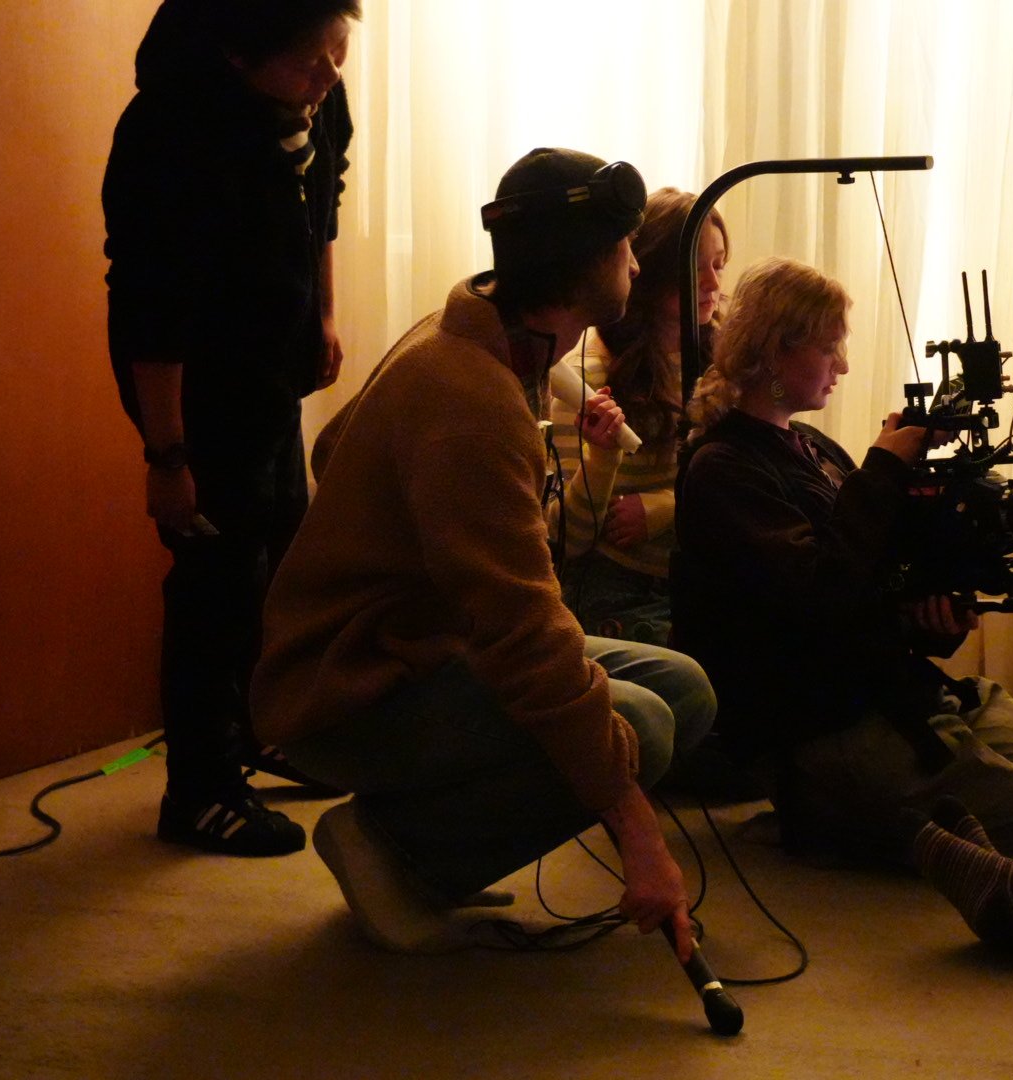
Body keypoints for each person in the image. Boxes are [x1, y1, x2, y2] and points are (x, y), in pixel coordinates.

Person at [250, 149, 717, 958]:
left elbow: (333, 449)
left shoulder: (482, 336)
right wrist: (639, 834)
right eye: (622, 247)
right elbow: (523, 636)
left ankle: (424, 834)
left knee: (685, 687)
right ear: (580, 267)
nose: (637, 264)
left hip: (419, 653)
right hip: (347, 695)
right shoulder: (469, 394)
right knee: (637, 722)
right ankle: (399, 853)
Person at [673, 257, 1013, 870]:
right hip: (817, 721)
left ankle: (915, 779)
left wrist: (926, 619)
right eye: (830, 347)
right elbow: (818, 595)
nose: (843, 365)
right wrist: (883, 469)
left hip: (891, 689)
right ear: (776, 352)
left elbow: (872, 576)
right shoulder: (723, 469)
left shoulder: (814, 448)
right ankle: (820, 809)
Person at [103, 0, 359, 856]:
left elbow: (323, 200)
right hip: (192, 378)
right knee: (215, 572)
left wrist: (322, 314)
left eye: (338, 53)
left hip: (269, 359)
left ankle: (254, 733)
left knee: (280, 541)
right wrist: (167, 456)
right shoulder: (169, 136)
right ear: (236, 57)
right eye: (307, 64)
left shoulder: (318, 92)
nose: (327, 78)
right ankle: (198, 791)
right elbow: (154, 310)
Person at [545, 189, 728, 646]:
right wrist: (602, 457)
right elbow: (570, 541)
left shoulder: (724, 356)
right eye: (695, 267)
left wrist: (668, 506)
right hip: (621, 589)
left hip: (703, 570)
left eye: (719, 265)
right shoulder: (589, 374)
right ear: (650, 270)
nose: (712, 284)